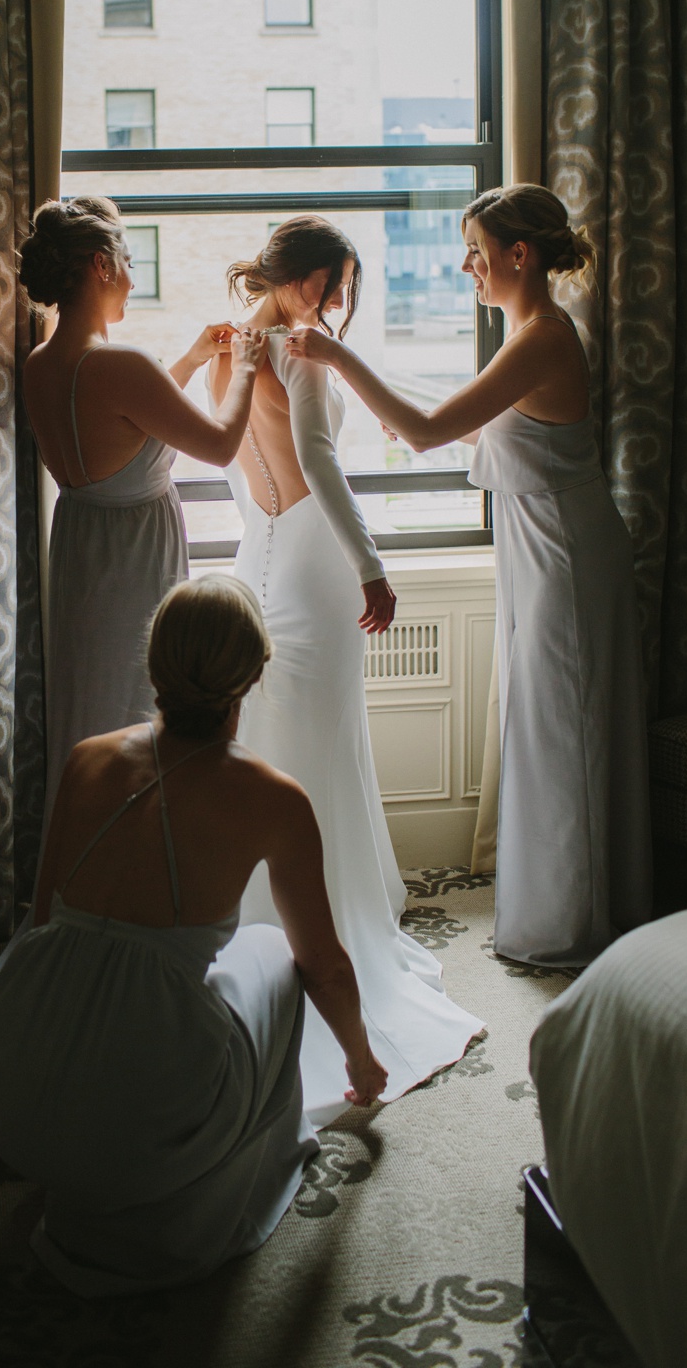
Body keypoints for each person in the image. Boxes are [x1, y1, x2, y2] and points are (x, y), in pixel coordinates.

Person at [0, 575, 387, 1296]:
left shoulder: (86, 758)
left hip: (17, 1089)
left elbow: (41, 924)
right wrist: (362, 1060)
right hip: (155, 1118)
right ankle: (210, 1188)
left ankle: (96, 1146)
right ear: (254, 674)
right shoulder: (274, 798)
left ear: (154, 665)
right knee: (272, 953)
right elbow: (325, 967)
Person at [284, 185, 651, 967]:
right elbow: (463, 421)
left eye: (476, 252)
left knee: (565, 732)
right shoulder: (524, 330)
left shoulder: (543, 335)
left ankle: (570, 926)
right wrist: (397, 406)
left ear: (520, 256)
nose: (464, 267)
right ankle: (562, 907)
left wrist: (336, 354)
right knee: (546, 727)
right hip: (540, 546)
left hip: (567, 554)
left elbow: (424, 433)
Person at [210, 216, 483, 1121]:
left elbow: (229, 462)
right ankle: (331, 928)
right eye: (337, 287)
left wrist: (261, 533)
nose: (340, 306)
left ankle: (257, 919)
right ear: (311, 278)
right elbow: (320, 459)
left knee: (268, 737)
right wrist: (369, 562)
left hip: (260, 552)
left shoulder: (234, 339)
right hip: (315, 559)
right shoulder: (300, 345)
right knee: (319, 742)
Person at [20, 195, 266, 829]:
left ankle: (82, 862)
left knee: (89, 707)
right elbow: (217, 444)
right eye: (127, 261)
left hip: (80, 551)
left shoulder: (40, 366)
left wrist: (187, 359)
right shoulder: (120, 364)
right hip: (134, 558)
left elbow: (125, 426)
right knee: (139, 707)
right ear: (101, 266)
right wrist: (243, 369)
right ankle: (142, 871)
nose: (133, 276)